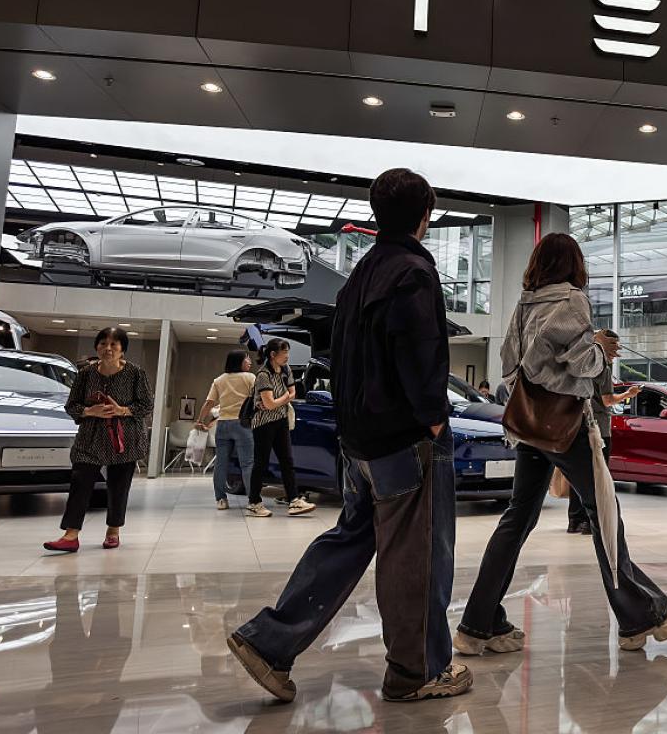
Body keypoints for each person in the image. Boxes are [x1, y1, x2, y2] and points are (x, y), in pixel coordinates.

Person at [227, 167, 470, 704]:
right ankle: (418, 670)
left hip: (358, 440)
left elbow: (344, 359)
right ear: (425, 217)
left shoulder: (359, 276)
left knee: (348, 541)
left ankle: (270, 642)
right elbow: (420, 352)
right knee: (420, 555)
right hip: (406, 441)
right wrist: (432, 417)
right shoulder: (413, 272)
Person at [455, 232, 667, 656]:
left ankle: (476, 623)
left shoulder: (527, 301)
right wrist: (600, 346)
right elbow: (581, 361)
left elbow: (510, 363)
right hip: (567, 427)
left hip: (529, 426)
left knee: (517, 517)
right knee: (604, 512)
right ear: (574, 264)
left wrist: (529, 397)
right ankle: (639, 616)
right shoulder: (573, 299)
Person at [43, 326, 153, 552]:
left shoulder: (135, 373)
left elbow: (146, 405)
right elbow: (71, 405)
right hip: (90, 439)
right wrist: (90, 411)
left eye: (114, 344)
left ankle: (113, 530)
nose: (108, 349)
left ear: (123, 349)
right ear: (96, 347)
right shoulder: (85, 374)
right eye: (103, 344)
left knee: (118, 487)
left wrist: (122, 410)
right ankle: (71, 535)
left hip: (124, 439)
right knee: (80, 483)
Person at [567, 352, 639, 534]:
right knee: (598, 475)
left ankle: (574, 520)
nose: (616, 354)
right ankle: (589, 522)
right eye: (613, 347)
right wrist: (628, 394)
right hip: (599, 427)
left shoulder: (579, 366)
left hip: (577, 425)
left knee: (579, 474)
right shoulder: (603, 369)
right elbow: (608, 400)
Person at [245, 338, 315, 517]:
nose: (287, 357)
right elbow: (269, 404)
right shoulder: (263, 375)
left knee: (287, 461)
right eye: (284, 354)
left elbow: (292, 392)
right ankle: (254, 502)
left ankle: (294, 500)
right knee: (261, 462)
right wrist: (283, 398)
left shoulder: (286, 370)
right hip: (263, 423)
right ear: (273, 355)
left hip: (281, 420)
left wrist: (280, 400)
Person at [197, 350, 257, 510]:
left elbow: (209, 403)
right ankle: (253, 500)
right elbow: (259, 400)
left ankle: (221, 500)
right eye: (247, 359)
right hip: (242, 424)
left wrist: (200, 420)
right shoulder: (250, 378)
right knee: (248, 464)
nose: (250, 361)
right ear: (239, 362)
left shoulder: (219, 380)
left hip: (223, 425)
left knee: (221, 464)